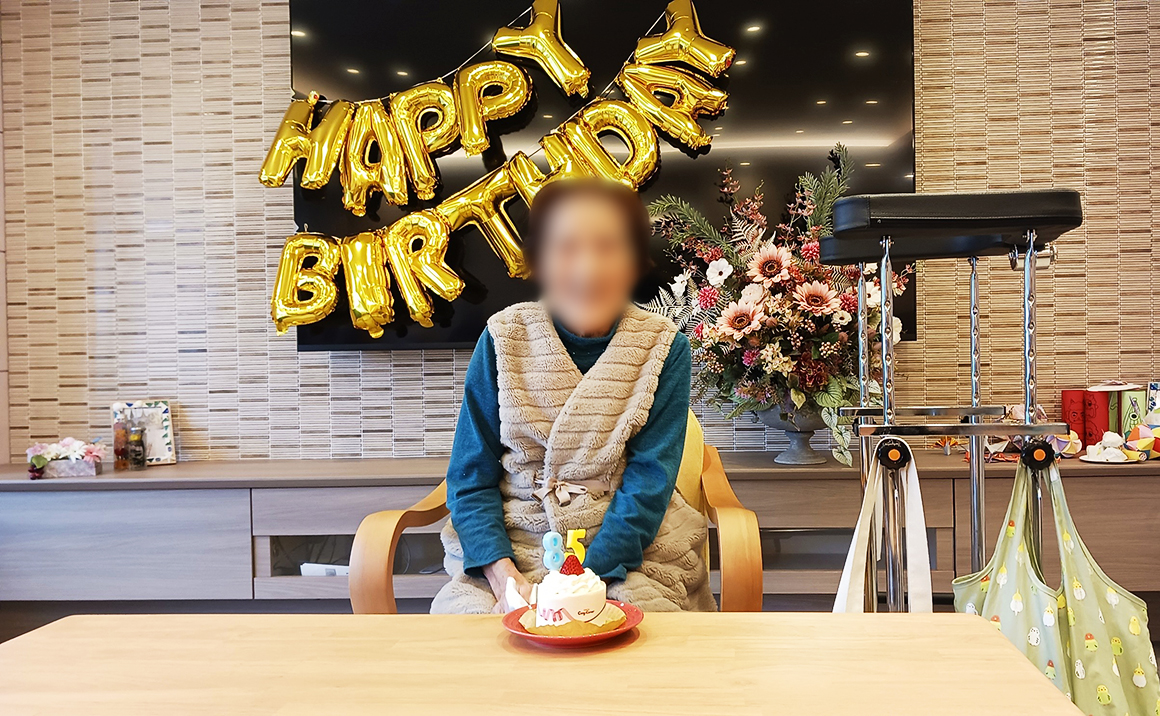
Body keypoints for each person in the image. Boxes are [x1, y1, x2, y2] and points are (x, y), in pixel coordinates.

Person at [431, 178, 716, 614]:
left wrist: (579, 582)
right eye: (566, 248)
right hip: (516, 541)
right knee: (470, 631)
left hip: (625, 546)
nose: (587, 269)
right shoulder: (503, 338)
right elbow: (470, 478)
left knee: (645, 627)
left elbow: (648, 485)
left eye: (608, 247)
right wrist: (502, 575)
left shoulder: (664, 348)